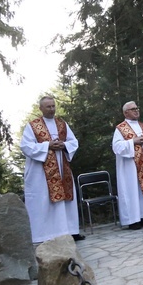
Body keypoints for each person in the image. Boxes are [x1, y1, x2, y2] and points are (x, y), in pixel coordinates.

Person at [20, 95, 82, 243]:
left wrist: (64, 145)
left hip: (62, 169)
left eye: (53, 106)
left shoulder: (62, 124)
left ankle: (70, 231)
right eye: (48, 106)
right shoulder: (32, 126)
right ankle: (45, 234)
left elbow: (73, 141)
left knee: (66, 200)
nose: (52, 109)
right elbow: (26, 146)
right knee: (44, 200)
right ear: (40, 108)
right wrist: (47, 146)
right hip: (41, 173)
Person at [112, 101, 143, 230]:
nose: (136, 110)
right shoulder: (121, 128)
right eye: (133, 109)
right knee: (132, 191)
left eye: (137, 108)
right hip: (130, 167)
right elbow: (116, 146)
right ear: (125, 113)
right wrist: (133, 141)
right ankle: (133, 220)